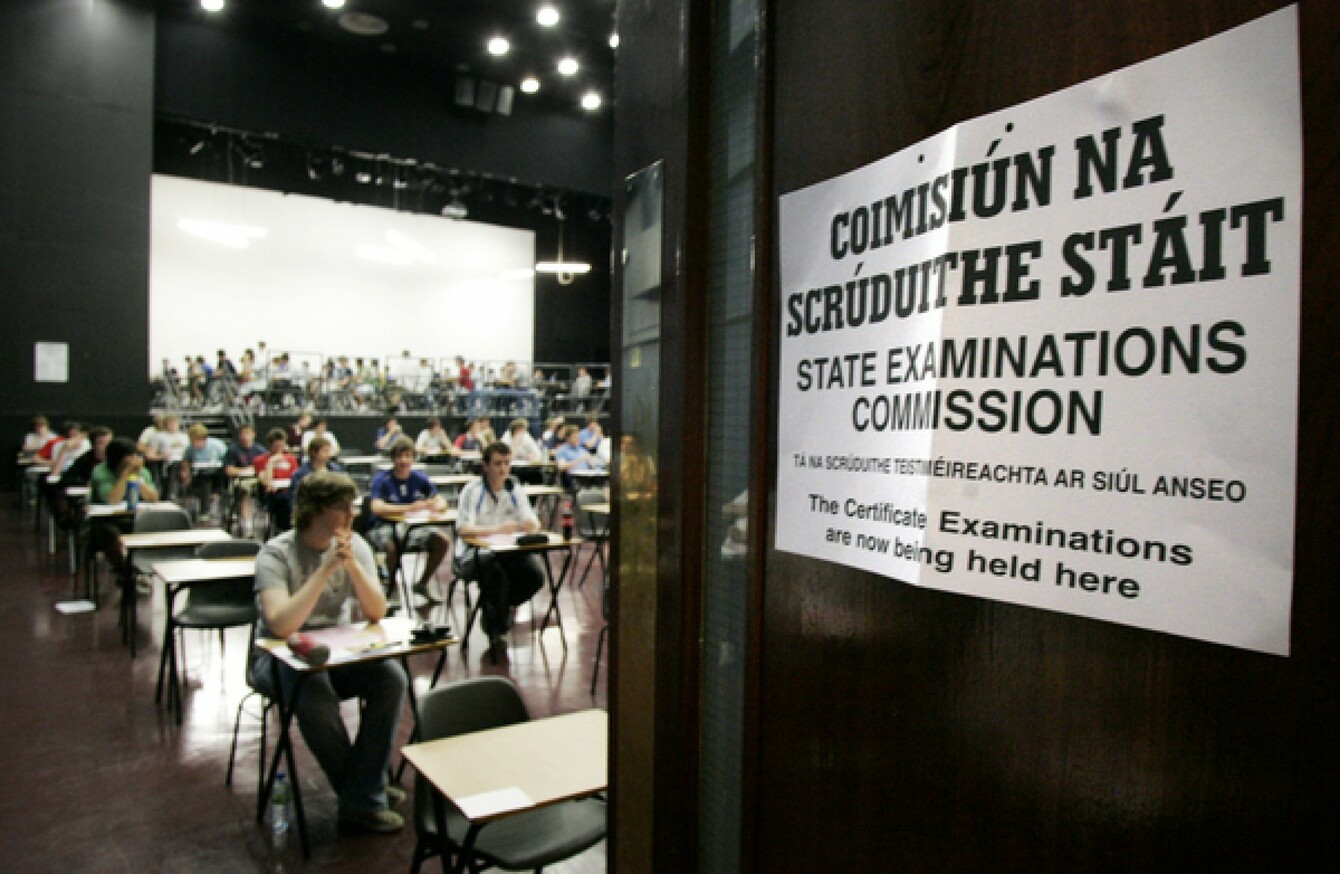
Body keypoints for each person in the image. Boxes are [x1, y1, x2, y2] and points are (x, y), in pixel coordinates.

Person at [251, 472, 407, 834]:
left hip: (333, 652)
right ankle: (364, 799)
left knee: (391, 678)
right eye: (342, 508)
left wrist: (351, 566)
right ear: (315, 510)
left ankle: (363, 788)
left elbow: (377, 611)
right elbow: (281, 625)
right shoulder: (275, 554)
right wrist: (324, 571)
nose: (352, 515)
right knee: (315, 691)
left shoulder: (356, 546)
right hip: (277, 657)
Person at [454, 442, 546, 649]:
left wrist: (531, 525)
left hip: (507, 551)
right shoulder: (472, 490)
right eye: (497, 464)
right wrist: (497, 529)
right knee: (496, 576)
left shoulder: (514, 488)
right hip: (474, 553)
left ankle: (499, 608)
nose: (503, 469)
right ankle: (496, 627)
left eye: (507, 463)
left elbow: (533, 521)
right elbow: (463, 529)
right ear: (486, 466)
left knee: (535, 576)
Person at [367, 438, 450, 603]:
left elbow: (441, 501)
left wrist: (435, 506)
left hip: (412, 527)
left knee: (442, 541)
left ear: (413, 458)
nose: (403, 460)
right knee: (392, 546)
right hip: (384, 526)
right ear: (393, 459)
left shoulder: (420, 478)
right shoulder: (382, 479)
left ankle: (422, 584)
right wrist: (409, 508)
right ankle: (392, 586)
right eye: (399, 456)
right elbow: (376, 507)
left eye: (407, 456)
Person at [89, 436, 161, 575]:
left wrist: (136, 477)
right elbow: (112, 500)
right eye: (128, 457)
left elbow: (153, 498)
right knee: (111, 534)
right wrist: (126, 474)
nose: (132, 460)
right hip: (105, 521)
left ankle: (139, 568)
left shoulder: (142, 471)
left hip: (134, 518)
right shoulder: (101, 471)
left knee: (151, 528)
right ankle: (124, 571)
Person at [180, 423, 228, 519]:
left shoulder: (217, 445)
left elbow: (227, 460)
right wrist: (186, 472)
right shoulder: (190, 449)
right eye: (194, 441)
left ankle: (219, 500)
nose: (196, 443)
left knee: (222, 477)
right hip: (201, 474)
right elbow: (185, 462)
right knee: (204, 482)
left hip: (218, 472)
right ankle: (205, 510)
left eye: (199, 440)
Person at [255, 428, 299, 532]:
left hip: (289, 490)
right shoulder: (261, 460)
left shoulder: (290, 459)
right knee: (281, 500)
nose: (279, 449)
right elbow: (265, 482)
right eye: (276, 446)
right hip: (272, 493)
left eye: (282, 446)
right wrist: (271, 462)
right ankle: (283, 528)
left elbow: (295, 477)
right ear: (270, 446)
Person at [554, 424, 601, 490]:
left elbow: (592, 465)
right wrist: (579, 460)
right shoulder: (562, 450)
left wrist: (592, 463)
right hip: (572, 479)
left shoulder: (582, 449)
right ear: (567, 438)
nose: (577, 438)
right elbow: (561, 466)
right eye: (574, 436)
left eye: (578, 436)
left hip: (587, 477)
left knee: (603, 483)